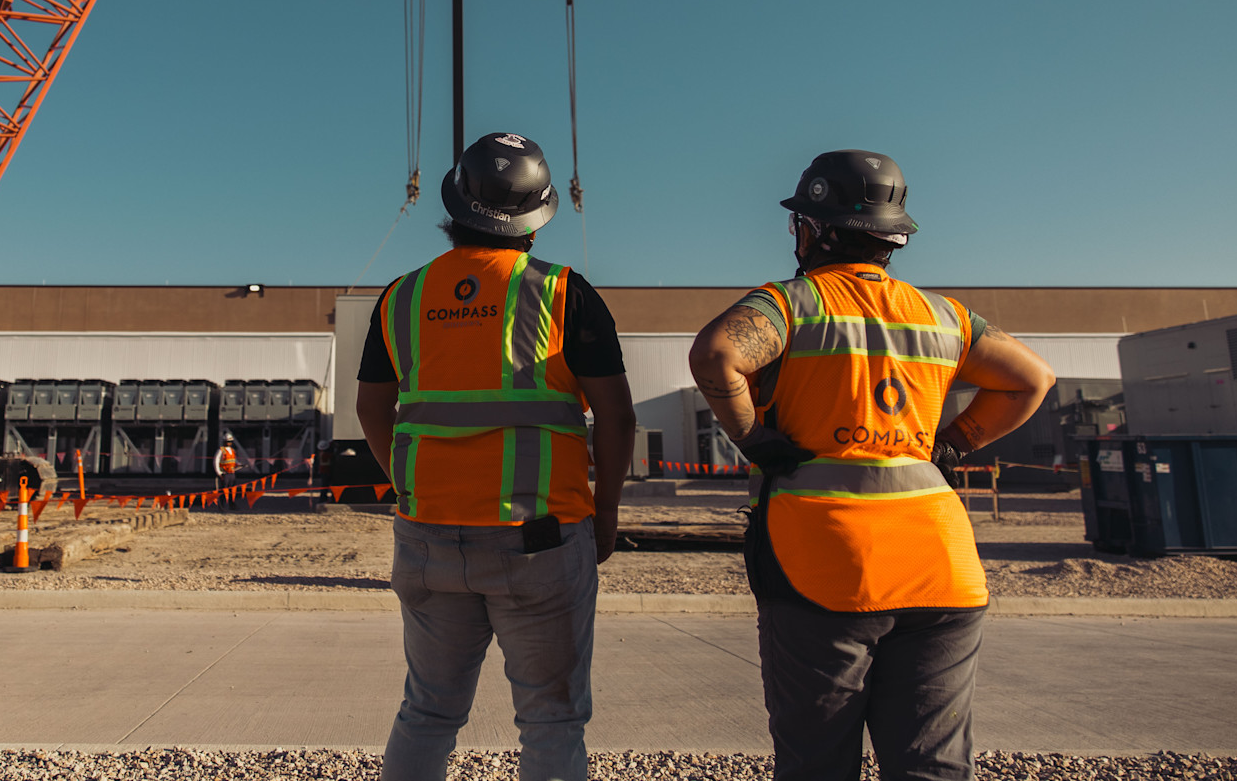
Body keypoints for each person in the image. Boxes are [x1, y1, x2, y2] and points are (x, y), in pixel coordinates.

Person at [688, 150, 1054, 781]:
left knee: (817, 762)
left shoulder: (791, 303)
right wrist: (955, 442)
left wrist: (752, 436)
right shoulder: (944, 315)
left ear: (817, 228)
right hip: (943, 570)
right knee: (931, 767)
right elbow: (1032, 379)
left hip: (822, 568)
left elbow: (718, 354)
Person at [358, 132, 636, 781]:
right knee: (551, 719)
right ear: (537, 218)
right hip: (539, 540)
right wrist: (607, 512)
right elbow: (617, 415)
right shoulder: (565, 293)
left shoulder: (401, 296)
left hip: (425, 538)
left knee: (427, 710)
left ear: (454, 204)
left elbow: (374, 411)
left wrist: (407, 489)